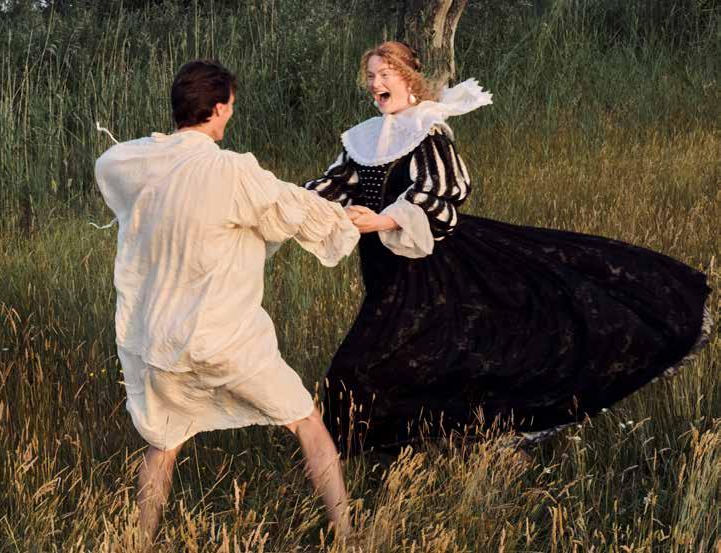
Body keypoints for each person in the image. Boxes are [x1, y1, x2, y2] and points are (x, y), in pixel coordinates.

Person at [305, 41, 713, 456]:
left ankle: (483, 434)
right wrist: (281, 200)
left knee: (388, 361)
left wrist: (382, 221)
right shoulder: (363, 139)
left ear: (407, 79)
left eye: (384, 74)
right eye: (370, 76)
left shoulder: (426, 130)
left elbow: (443, 193)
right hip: (384, 270)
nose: (375, 83)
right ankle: (441, 445)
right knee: (410, 358)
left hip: (430, 268)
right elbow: (330, 187)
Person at [95, 60, 358, 544]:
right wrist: (345, 217)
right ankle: (346, 535)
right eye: (230, 106)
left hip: (160, 344)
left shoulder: (139, 162)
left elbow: (108, 164)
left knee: (163, 445)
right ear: (217, 110)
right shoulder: (231, 171)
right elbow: (292, 210)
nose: (231, 113)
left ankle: (140, 541)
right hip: (225, 341)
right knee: (306, 421)